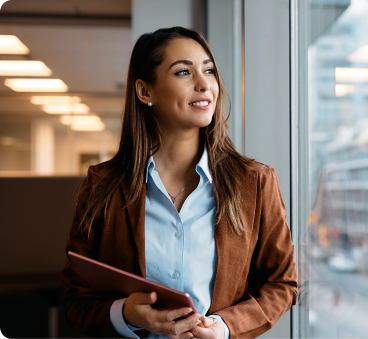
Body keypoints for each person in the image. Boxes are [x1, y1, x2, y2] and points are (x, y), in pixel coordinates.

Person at [61, 26, 298, 339]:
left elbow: (282, 283)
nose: (204, 85)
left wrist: (226, 327)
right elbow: (74, 299)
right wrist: (125, 313)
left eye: (209, 70)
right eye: (184, 72)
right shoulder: (103, 185)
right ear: (145, 92)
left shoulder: (255, 182)